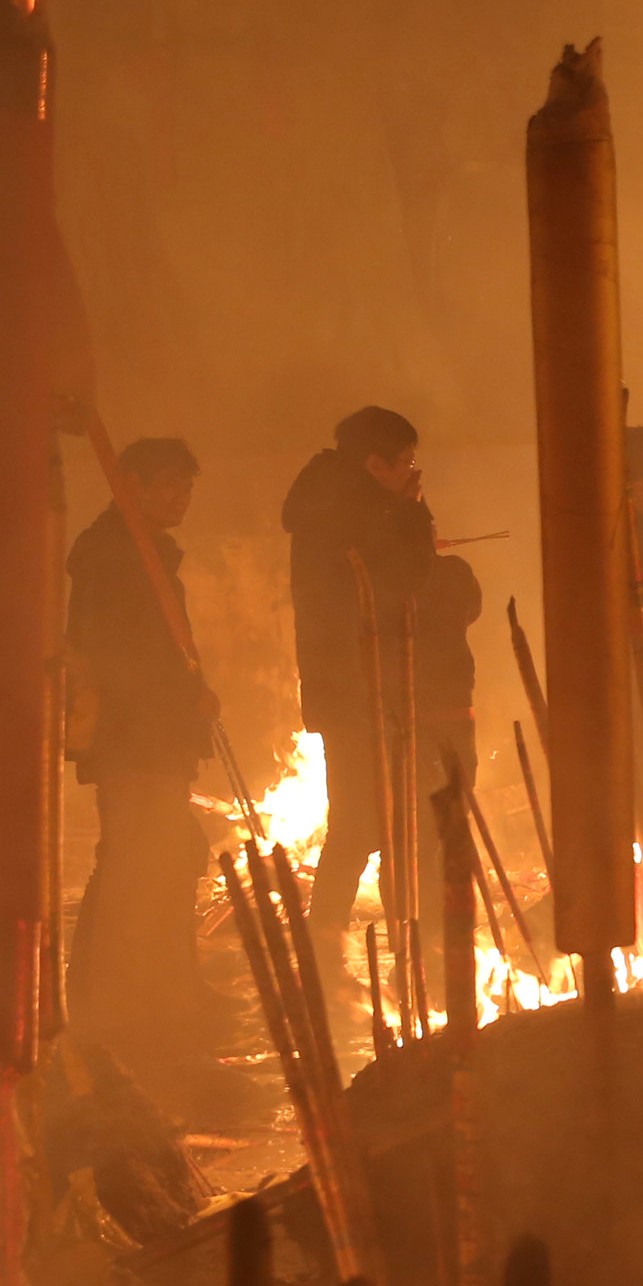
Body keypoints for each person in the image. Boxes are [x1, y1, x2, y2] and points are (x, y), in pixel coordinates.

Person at [66, 434, 220, 1074]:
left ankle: (159, 987)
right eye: (166, 484)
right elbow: (115, 654)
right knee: (132, 860)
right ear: (128, 483)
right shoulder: (111, 555)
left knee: (165, 855)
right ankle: (110, 1003)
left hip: (158, 735)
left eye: (186, 486)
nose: (179, 496)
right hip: (134, 738)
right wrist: (179, 701)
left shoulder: (146, 551)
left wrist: (191, 699)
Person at [281, 407, 442, 999]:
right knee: (369, 817)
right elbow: (407, 577)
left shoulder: (332, 499)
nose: (411, 473)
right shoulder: (354, 511)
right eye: (404, 464)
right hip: (362, 684)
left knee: (373, 814)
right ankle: (332, 951)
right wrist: (413, 511)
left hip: (354, 682)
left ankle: (336, 948)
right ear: (375, 464)